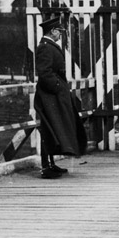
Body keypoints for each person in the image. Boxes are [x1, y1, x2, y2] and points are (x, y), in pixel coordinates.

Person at [34, 12, 87, 179]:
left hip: (54, 97)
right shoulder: (45, 47)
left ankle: (50, 164)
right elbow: (44, 73)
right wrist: (58, 88)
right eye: (59, 31)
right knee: (48, 130)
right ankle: (45, 167)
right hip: (49, 97)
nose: (60, 34)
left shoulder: (48, 46)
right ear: (53, 31)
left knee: (53, 130)